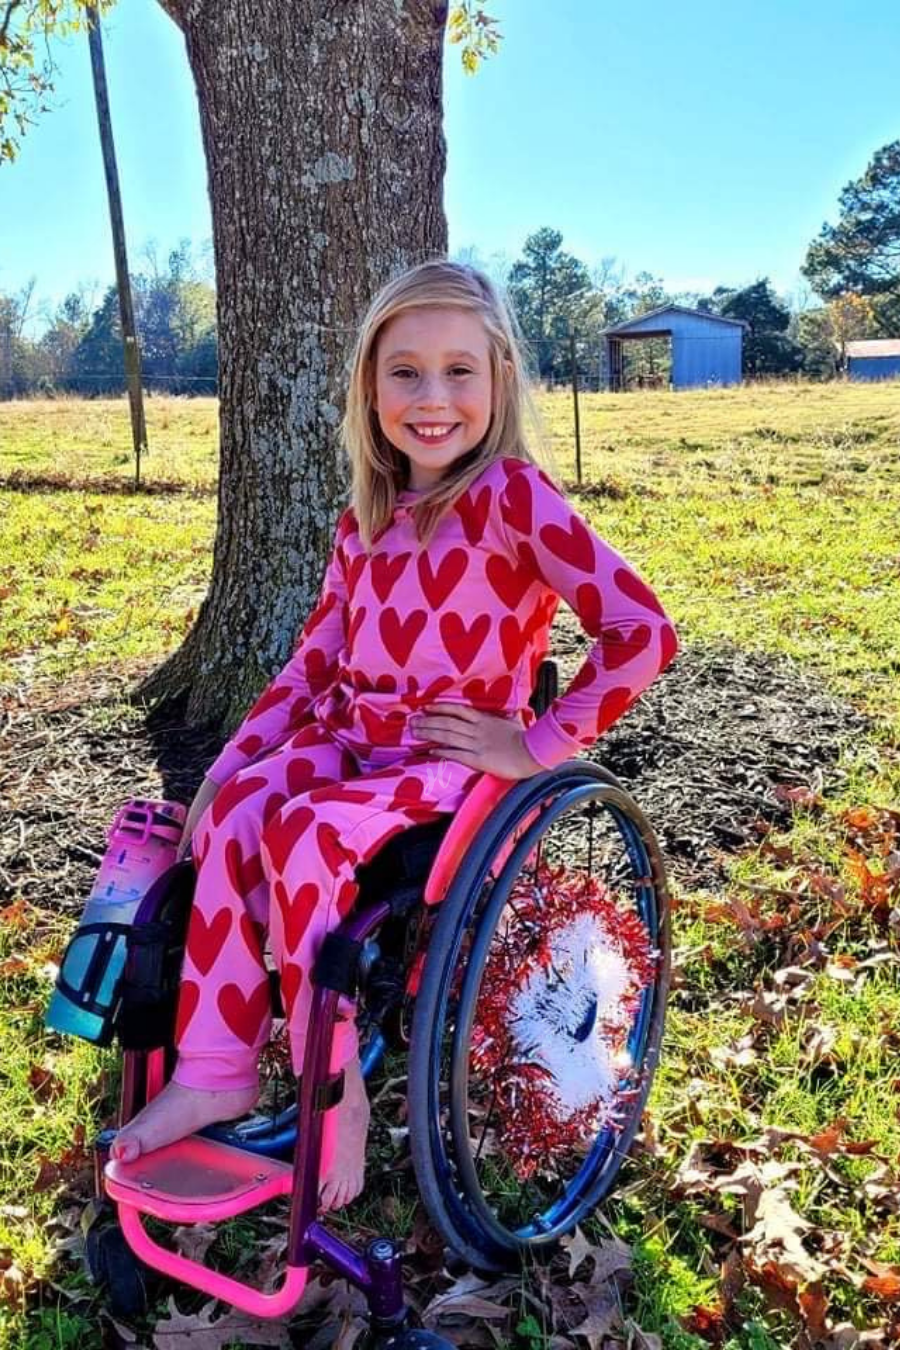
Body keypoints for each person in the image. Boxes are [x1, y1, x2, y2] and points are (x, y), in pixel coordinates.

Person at [111, 260, 678, 1210]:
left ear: (499, 381)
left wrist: (537, 744)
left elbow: (641, 633)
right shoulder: (363, 520)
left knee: (306, 833)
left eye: (460, 371)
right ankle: (215, 1068)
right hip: (352, 739)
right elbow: (311, 667)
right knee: (241, 810)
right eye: (405, 372)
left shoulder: (513, 498)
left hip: (446, 763)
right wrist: (231, 761)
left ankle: (337, 1098)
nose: (432, 398)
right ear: (369, 388)